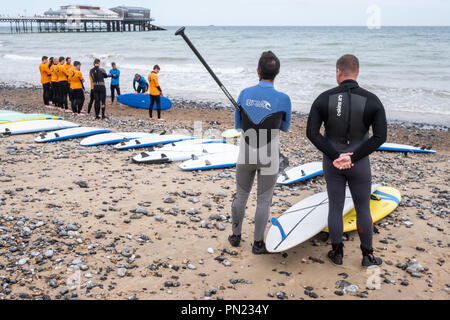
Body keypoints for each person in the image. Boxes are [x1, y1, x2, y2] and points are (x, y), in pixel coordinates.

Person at [306, 54, 387, 267]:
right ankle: (367, 256)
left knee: (335, 206)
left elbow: (312, 133)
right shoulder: (372, 100)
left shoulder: (323, 98)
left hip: (333, 164)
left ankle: (337, 252)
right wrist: (354, 156)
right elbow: (380, 137)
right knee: (362, 208)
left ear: (338, 72)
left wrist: (336, 156)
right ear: (357, 72)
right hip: (359, 164)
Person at [228, 51, 292, 254]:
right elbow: (285, 127)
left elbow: (238, 124)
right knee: (264, 199)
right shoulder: (284, 99)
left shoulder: (244, 93)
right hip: (269, 152)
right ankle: (258, 244)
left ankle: (236, 236)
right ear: (278, 72)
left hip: (247, 150)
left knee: (241, 195)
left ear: (258, 70)